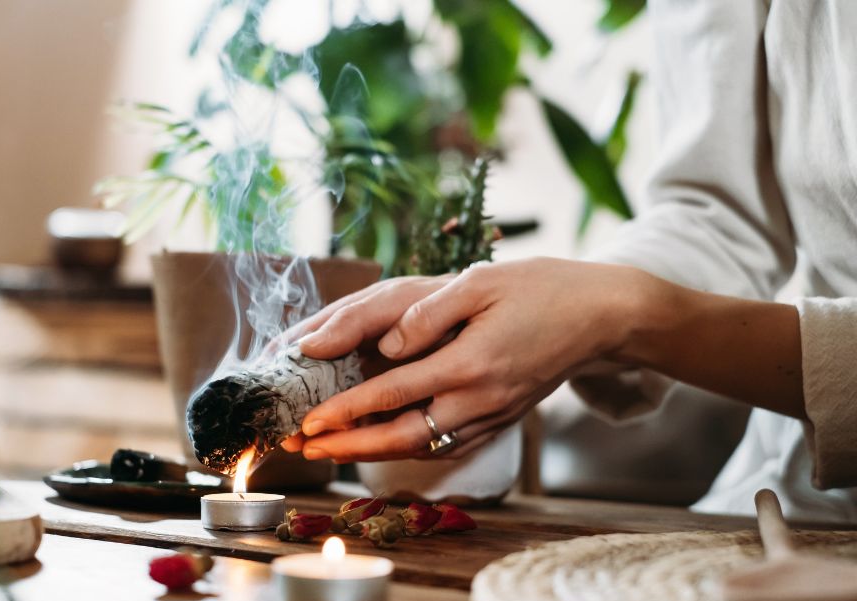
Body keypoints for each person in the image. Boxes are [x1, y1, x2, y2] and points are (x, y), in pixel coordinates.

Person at [282, 0, 857, 523]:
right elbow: (717, 217)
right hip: (787, 503)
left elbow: (637, 305)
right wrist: (527, 306)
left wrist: (623, 315)